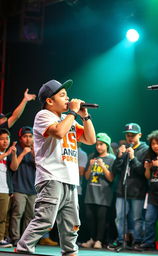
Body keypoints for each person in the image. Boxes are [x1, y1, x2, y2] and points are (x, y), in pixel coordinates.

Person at [16, 79, 96, 256]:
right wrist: (73, 113)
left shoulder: (69, 120)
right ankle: (23, 249)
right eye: (62, 95)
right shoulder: (44, 116)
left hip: (70, 179)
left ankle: (70, 252)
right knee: (45, 220)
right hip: (51, 176)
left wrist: (85, 116)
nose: (67, 98)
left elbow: (91, 140)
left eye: (67, 95)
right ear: (50, 101)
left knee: (71, 225)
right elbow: (59, 133)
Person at [108, 123, 148, 250]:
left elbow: (143, 172)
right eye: (128, 135)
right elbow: (115, 170)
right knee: (119, 217)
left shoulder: (145, 150)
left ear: (140, 135)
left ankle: (137, 241)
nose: (130, 138)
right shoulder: (124, 149)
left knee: (137, 218)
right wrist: (119, 157)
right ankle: (120, 240)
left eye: (133, 135)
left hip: (137, 190)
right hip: (122, 190)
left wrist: (133, 158)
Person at [81, 132, 115, 249]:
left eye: (101, 144)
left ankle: (99, 240)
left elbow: (111, 178)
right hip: (90, 193)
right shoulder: (92, 156)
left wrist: (102, 166)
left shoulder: (112, 158)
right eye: (97, 144)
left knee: (101, 219)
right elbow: (86, 177)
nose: (98, 147)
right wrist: (90, 166)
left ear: (107, 145)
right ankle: (92, 238)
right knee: (89, 217)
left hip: (104, 194)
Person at [9, 126, 36, 246]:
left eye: (30, 136)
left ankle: (26, 241)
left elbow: (40, 166)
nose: (28, 139)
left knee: (30, 217)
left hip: (33, 189)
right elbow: (13, 167)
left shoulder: (36, 150)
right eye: (25, 137)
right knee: (17, 214)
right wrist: (23, 153)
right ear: (20, 138)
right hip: (19, 187)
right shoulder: (17, 149)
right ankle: (15, 239)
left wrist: (34, 152)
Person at [0, 128, 18, 247]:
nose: (5, 141)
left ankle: (1, 239)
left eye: (7, 139)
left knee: (3, 217)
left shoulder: (9, 156)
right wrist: (6, 154)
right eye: (2, 139)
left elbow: (14, 168)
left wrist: (14, 153)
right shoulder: (4, 155)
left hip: (5, 189)